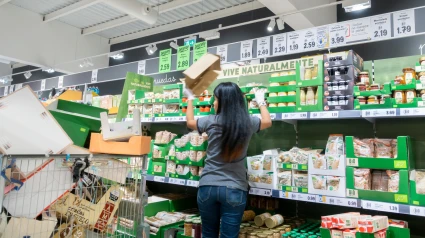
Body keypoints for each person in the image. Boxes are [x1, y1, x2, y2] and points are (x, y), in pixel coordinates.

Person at [184, 82, 272, 238]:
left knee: (208, 233)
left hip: (208, 186)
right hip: (235, 188)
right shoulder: (248, 122)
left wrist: (190, 98)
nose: (213, 102)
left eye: (216, 99)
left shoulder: (210, 121)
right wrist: (261, 102)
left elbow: (190, 122)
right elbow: (267, 121)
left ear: (224, 101)